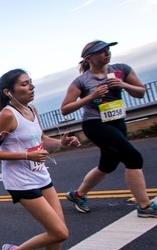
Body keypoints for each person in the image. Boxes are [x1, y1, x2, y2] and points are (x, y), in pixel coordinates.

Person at [0, 69, 82, 250]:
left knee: (57, 230)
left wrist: (62, 143)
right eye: (24, 84)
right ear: (9, 92)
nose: (31, 86)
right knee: (60, 232)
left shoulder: (32, 109)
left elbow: (41, 138)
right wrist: (26, 155)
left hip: (41, 175)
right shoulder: (7, 116)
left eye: (31, 82)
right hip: (21, 182)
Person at [60, 40, 156, 217]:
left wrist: (123, 85)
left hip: (117, 121)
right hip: (95, 124)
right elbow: (65, 109)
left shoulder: (121, 70)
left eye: (108, 50)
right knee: (133, 158)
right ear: (89, 58)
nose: (107, 53)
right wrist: (92, 96)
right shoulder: (81, 81)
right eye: (101, 51)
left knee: (108, 165)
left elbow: (141, 92)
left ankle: (78, 195)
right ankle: (144, 206)